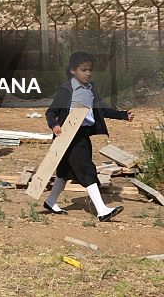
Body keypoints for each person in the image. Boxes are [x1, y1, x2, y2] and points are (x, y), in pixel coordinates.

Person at [42, 51, 134, 221]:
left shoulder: (91, 90)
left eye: (90, 70)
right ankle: (102, 210)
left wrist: (122, 115)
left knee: (64, 171)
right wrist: (54, 125)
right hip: (67, 136)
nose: (88, 73)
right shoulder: (66, 90)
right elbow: (51, 112)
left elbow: (101, 109)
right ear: (72, 71)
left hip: (82, 135)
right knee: (86, 169)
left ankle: (51, 201)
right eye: (83, 70)